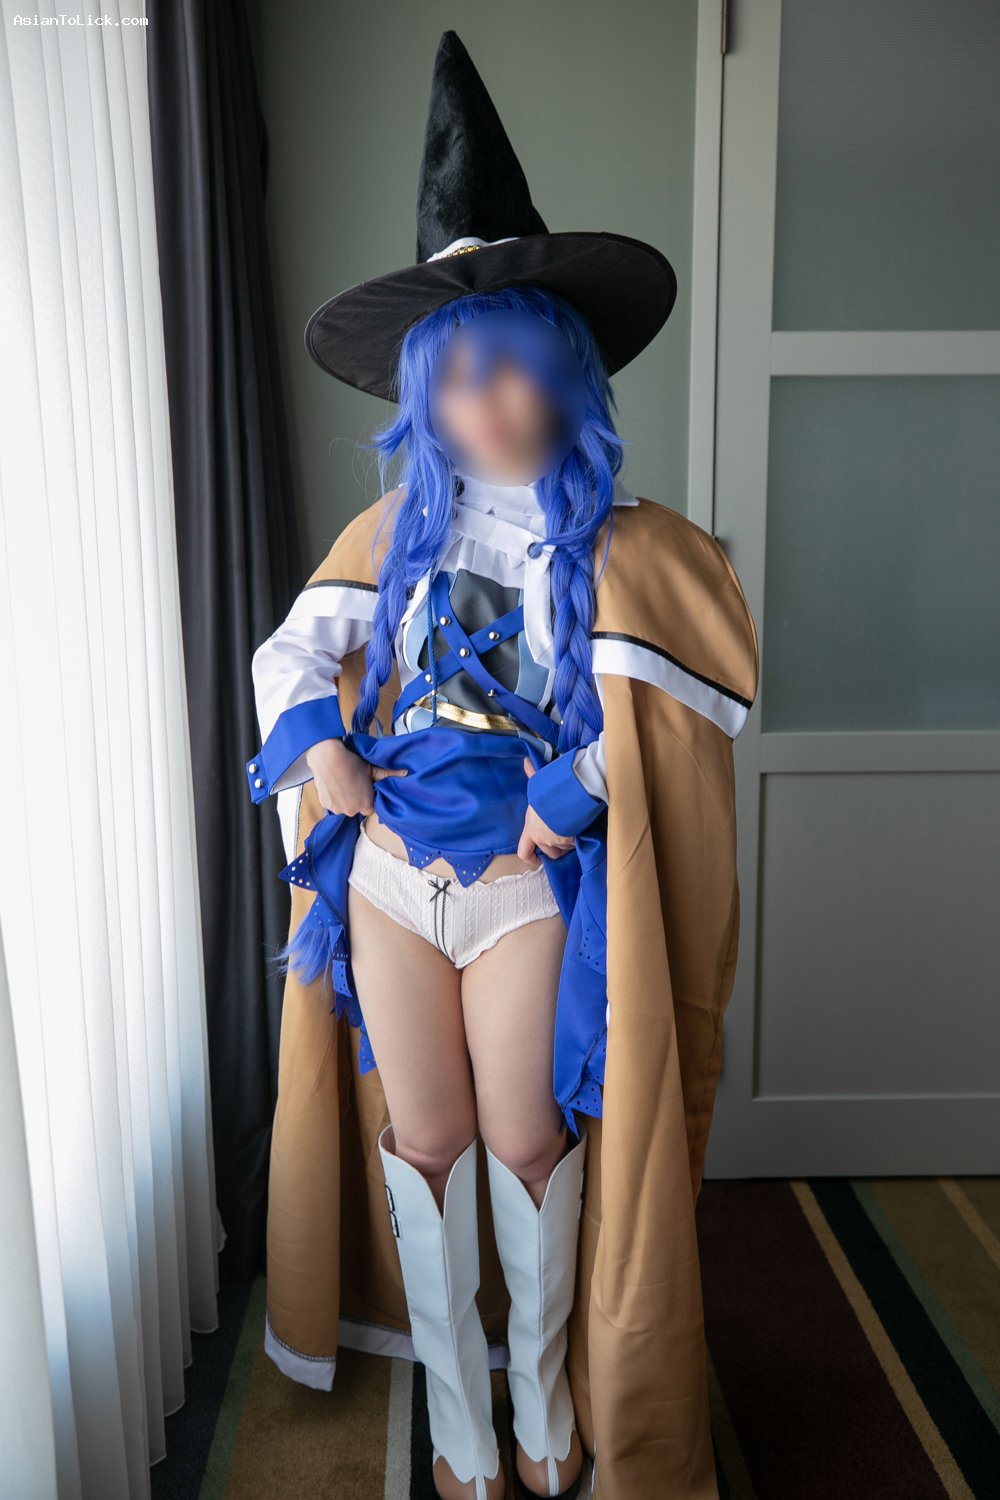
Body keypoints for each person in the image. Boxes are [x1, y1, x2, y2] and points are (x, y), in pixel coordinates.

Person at [246, 30, 758, 1500]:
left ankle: (543, 1413)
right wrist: (330, 753)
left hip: (530, 893)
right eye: (461, 376)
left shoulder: (626, 547)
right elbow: (287, 659)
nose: (494, 404)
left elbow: (669, 723)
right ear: (426, 392)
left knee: (529, 1143)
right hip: (393, 882)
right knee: (426, 1139)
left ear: (566, 370)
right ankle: (461, 1433)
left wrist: (573, 791)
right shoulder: (396, 532)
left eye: (519, 367)